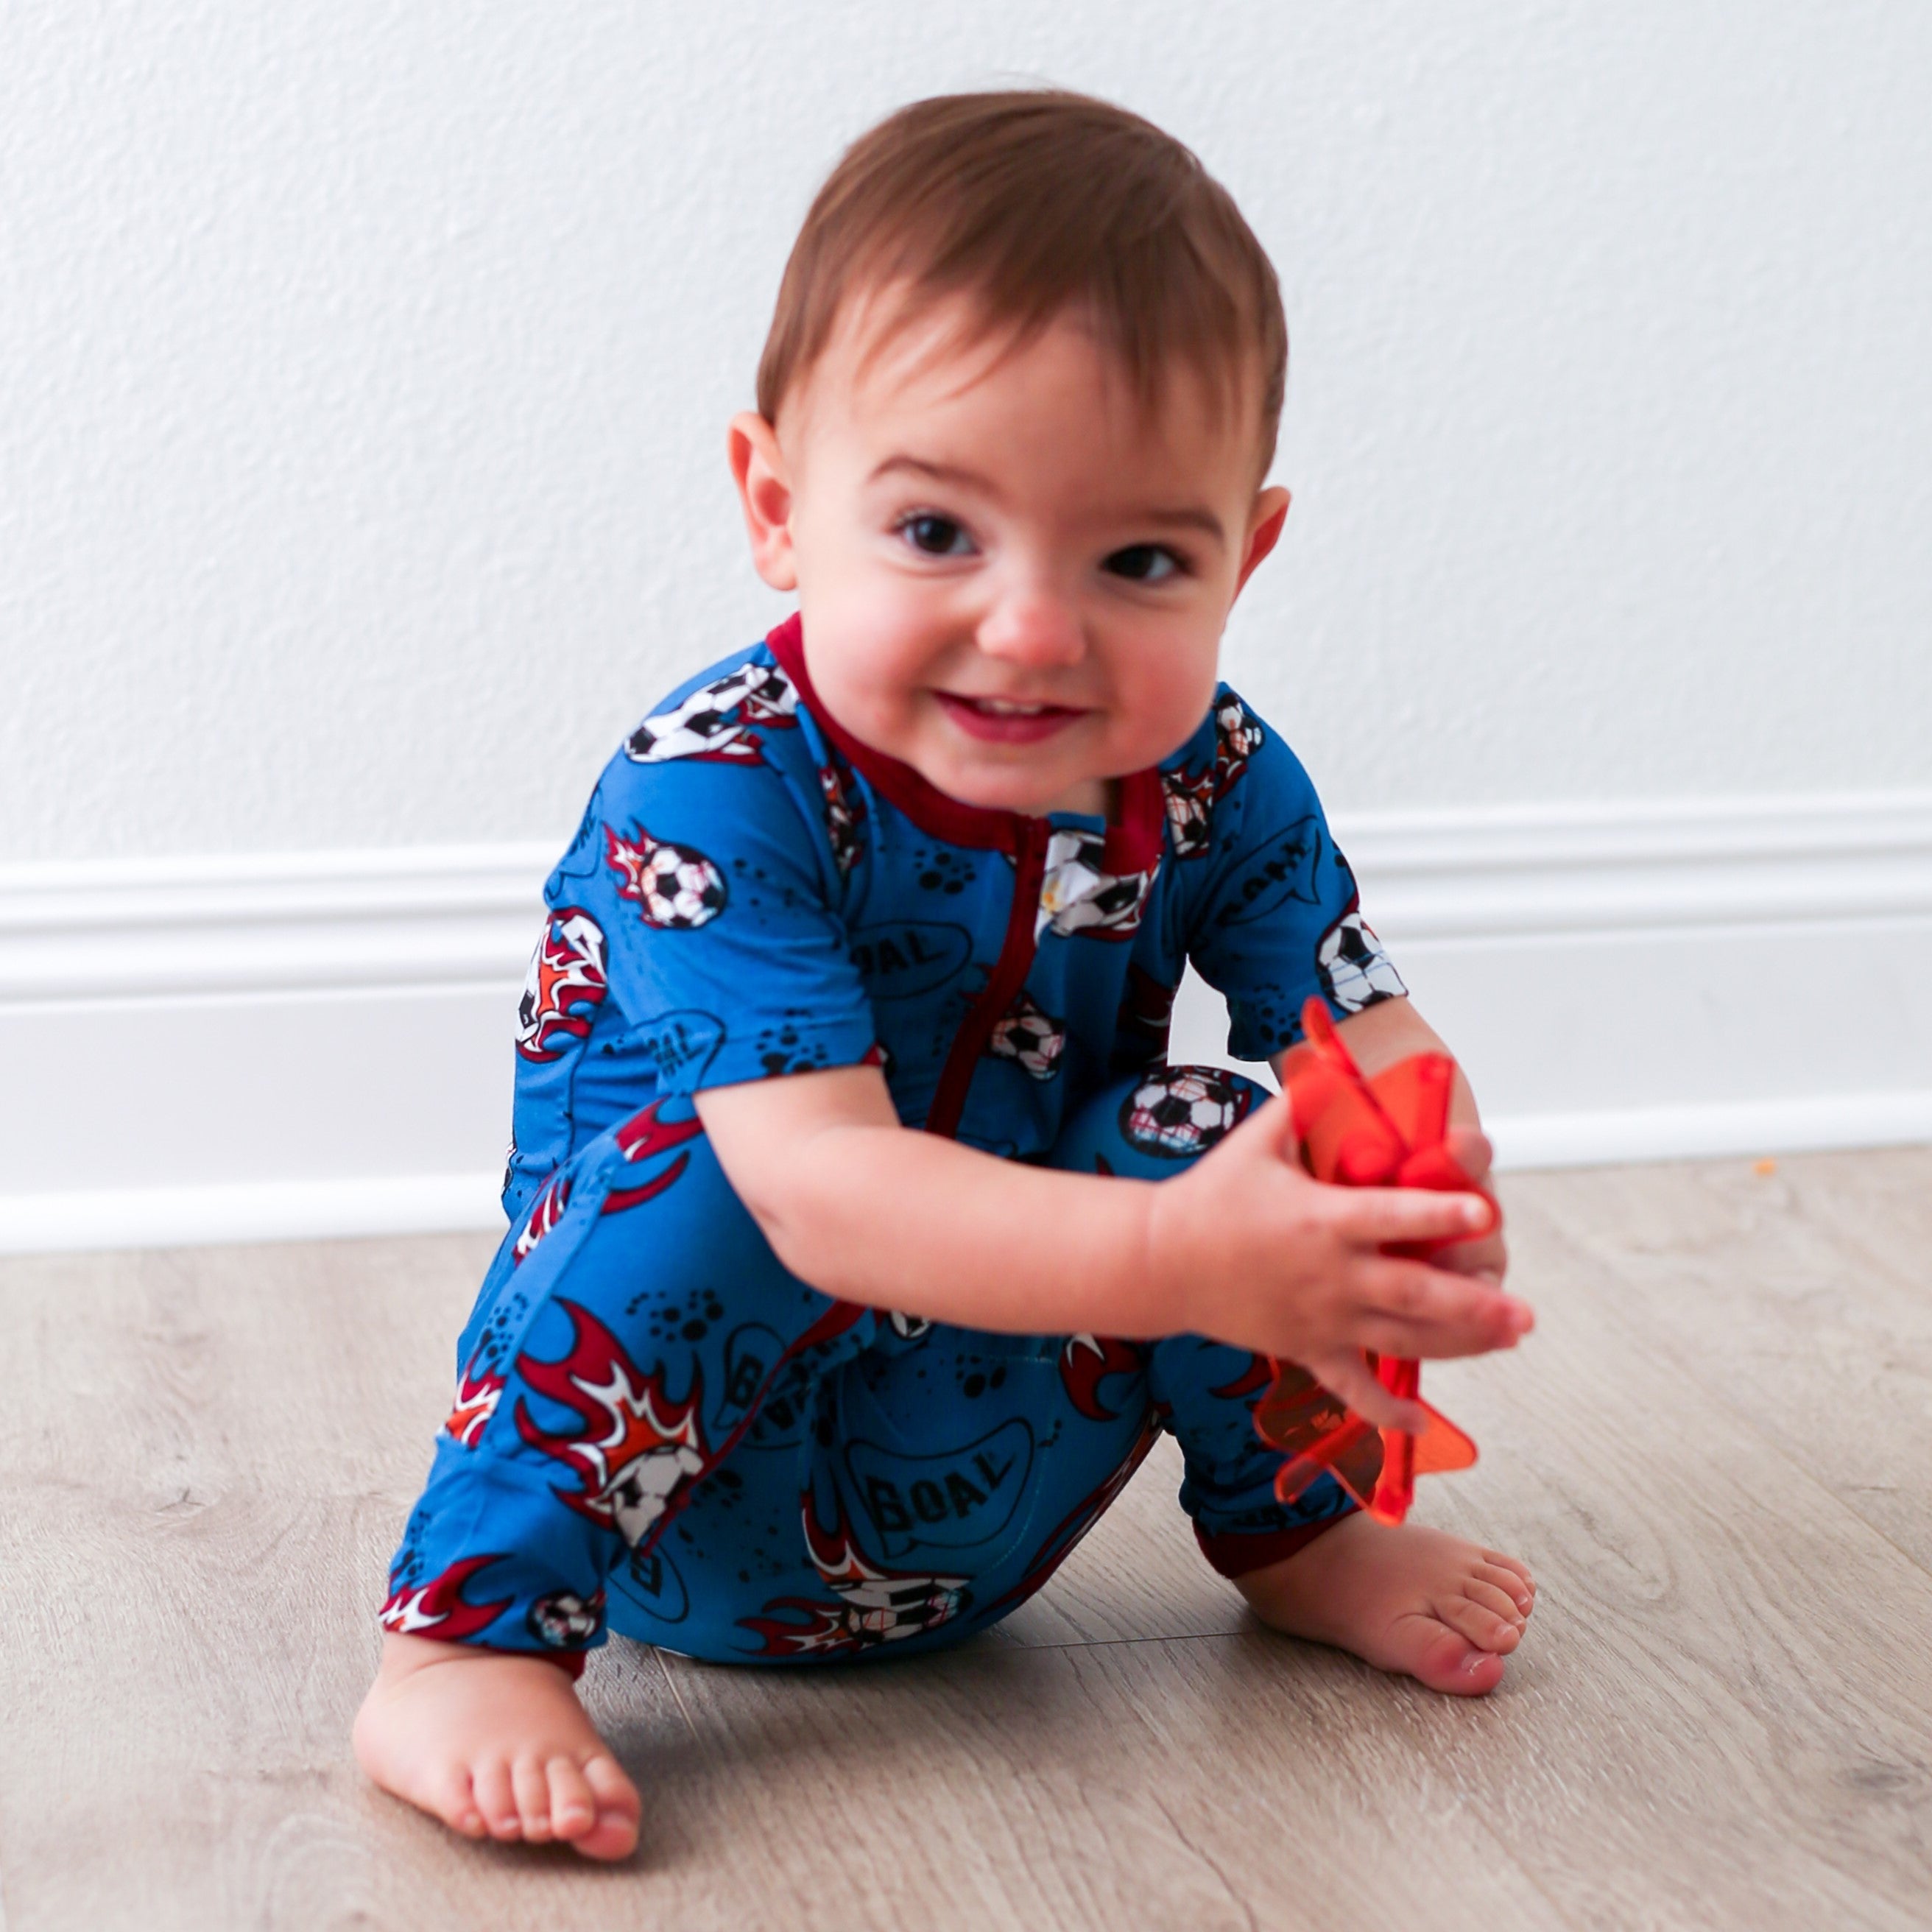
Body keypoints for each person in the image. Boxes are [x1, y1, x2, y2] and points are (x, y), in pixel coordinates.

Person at [353, 89, 1537, 1861]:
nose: (1036, 626)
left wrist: (1414, 1199)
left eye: (1139, 558)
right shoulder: (714, 789)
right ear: (776, 503)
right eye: (935, 534)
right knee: (713, 1171)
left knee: (1233, 1129)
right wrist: (1170, 1252)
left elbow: (1362, 1028)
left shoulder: (1213, 773)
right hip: (680, 1492)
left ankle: (1293, 1538)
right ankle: (466, 1639)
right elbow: (825, 1194)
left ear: (1246, 552)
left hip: (993, 1481)